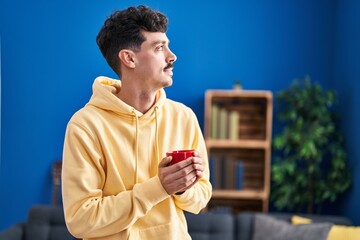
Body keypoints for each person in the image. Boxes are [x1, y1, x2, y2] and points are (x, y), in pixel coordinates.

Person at [62, 5, 212, 240]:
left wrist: (182, 187)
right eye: (159, 48)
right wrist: (158, 188)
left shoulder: (183, 117)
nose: (172, 57)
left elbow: (201, 198)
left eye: (168, 46)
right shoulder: (85, 126)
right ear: (129, 58)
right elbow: (80, 220)